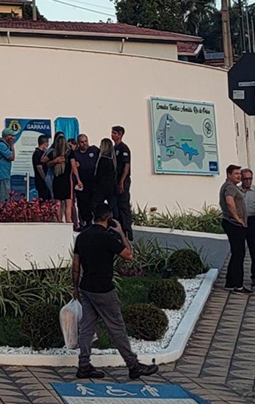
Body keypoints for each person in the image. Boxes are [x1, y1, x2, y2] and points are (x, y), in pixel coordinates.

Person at [72, 201, 159, 381]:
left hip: (86, 287)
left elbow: (75, 265)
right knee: (116, 327)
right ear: (108, 218)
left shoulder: (82, 237)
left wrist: (75, 287)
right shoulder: (108, 237)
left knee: (87, 327)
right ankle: (133, 365)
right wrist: (120, 233)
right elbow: (129, 255)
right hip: (104, 289)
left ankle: (84, 365)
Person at [219, 164, 249, 293]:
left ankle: (230, 282)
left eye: (239, 174)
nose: (239, 176)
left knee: (236, 254)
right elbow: (230, 202)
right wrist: (237, 218)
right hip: (234, 224)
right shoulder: (230, 187)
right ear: (229, 175)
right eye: (236, 174)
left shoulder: (230, 186)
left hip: (233, 223)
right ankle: (238, 285)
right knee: (239, 254)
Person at [240, 168, 255, 289]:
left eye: (250, 179)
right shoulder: (237, 191)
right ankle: (238, 276)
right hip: (239, 222)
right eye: (245, 179)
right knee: (239, 251)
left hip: (253, 220)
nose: (248, 181)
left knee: (254, 250)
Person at [69, 135, 100, 227]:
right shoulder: (75, 153)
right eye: (82, 142)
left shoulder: (94, 150)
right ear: (78, 143)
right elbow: (73, 167)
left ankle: (96, 221)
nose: (85, 143)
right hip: (82, 182)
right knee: (82, 203)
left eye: (86, 141)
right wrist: (78, 180)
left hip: (94, 182)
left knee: (94, 202)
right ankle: (86, 222)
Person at [111, 125, 133, 240]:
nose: (112, 135)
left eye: (114, 133)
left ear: (120, 135)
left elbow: (126, 166)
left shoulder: (124, 149)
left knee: (123, 206)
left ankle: (127, 231)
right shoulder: (114, 149)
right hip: (115, 180)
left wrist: (121, 182)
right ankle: (118, 230)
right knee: (116, 206)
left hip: (122, 180)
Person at [93, 138, 119, 223]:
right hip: (111, 186)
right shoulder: (112, 160)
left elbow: (99, 175)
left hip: (102, 187)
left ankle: (99, 221)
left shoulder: (102, 160)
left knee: (95, 204)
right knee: (113, 206)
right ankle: (115, 222)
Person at [47, 134, 72, 223]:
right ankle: (68, 221)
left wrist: (55, 161)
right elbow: (73, 166)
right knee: (68, 203)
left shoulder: (53, 153)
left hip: (57, 180)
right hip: (67, 181)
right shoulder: (69, 153)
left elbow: (45, 162)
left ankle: (60, 221)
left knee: (58, 203)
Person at [0, 128, 15, 203]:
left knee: (6, 195)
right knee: (4, 197)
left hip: (4, 174)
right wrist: (12, 145)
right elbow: (12, 157)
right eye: (11, 135)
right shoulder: (0, 145)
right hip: (1, 175)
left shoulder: (3, 144)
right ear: (6, 136)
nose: (13, 138)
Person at [31, 134, 53, 203]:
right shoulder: (37, 153)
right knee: (43, 200)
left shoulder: (43, 153)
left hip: (45, 181)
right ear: (44, 144)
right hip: (41, 182)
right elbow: (39, 168)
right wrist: (45, 179)